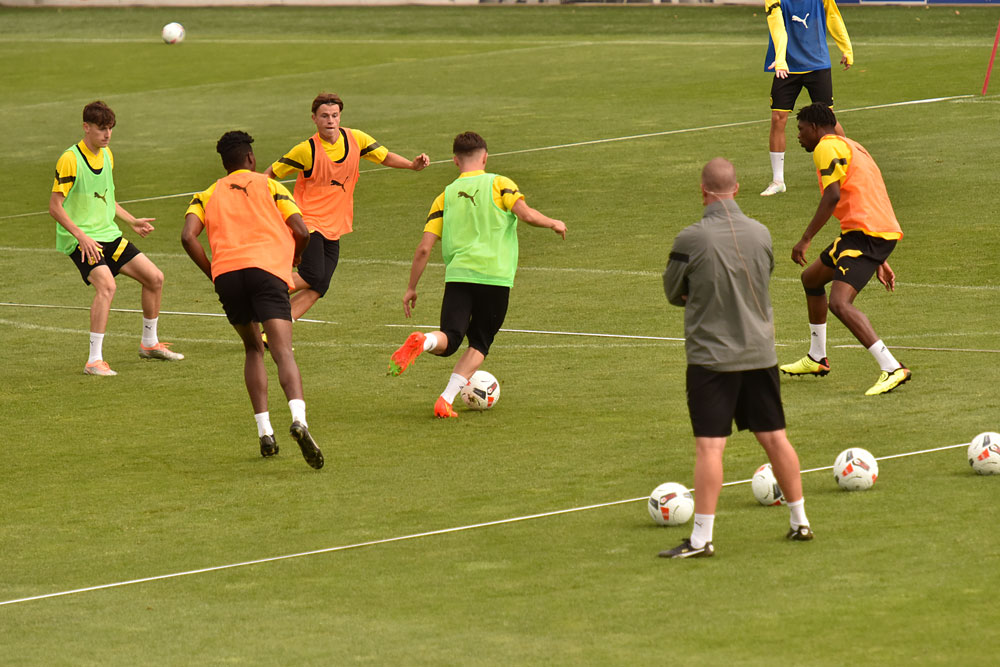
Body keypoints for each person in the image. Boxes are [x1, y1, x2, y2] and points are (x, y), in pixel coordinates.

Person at [660, 158, 812, 559]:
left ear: (703, 191)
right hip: (760, 353)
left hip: (712, 359)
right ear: (737, 188)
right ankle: (800, 522)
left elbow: (673, 290)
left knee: (711, 448)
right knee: (775, 438)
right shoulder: (761, 233)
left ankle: (700, 539)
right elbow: (763, 276)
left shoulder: (690, 238)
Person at [387, 131, 566, 418]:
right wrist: (553, 223)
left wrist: (411, 288)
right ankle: (444, 399)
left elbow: (424, 248)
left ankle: (425, 341)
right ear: (485, 157)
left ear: (455, 161)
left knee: (450, 337)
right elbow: (526, 214)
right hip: (495, 278)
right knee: (480, 342)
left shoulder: (444, 196)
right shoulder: (499, 183)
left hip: (459, 276)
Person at [181, 131, 324, 469]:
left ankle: (265, 433)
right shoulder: (269, 185)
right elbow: (301, 231)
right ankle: (299, 421)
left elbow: (188, 237)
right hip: (267, 272)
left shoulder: (206, 194)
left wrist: (214, 272)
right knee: (282, 350)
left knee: (252, 349)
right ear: (250, 159)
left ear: (225, 163)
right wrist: (295, 258)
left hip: (228, 275)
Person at [263, 92, 431, 324]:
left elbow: (384, 157)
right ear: (314, 119)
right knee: (312, 274)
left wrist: (412, 166)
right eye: (324, 116)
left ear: (340, 117)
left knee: (320, 285)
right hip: (308, 221)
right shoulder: (306, 150)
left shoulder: (356, 139)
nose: (330, 120)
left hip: (336, 225)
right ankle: (264, 289)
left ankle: (271, 332)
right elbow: (269, 174)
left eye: (334, 115)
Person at [779, 103, 909, 396]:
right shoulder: (851, 145)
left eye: (800, 130)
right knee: (811, 279)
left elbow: (833, 196)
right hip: (864, 233)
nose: (799, 136)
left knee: (840, 303)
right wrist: (878, 258)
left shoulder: (826, 147)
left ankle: (892, 367)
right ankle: (817, 357)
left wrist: (805, 238)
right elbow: (868, 192)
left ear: (814, 128)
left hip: (866, 234)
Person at [49, 100, 184, 376]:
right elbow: (55, 207)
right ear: (86, 127)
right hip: (81, 239)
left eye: (110, 129)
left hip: (109, 234)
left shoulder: (107, 155)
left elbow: (106, 199)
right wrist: (81, 237)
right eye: (101, 129)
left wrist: (131, 220)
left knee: (154, 278)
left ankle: (149, 344)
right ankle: (94, 360)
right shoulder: (70, 159)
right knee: (107, 286)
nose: (107, 134)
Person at [761, 0, 853, 196]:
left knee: (828, 118)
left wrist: (846, 48)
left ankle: (851, 167)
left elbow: (833, 16)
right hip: (786, 66)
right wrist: (780, 58)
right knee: (778, 118)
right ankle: (778, 181)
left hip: (817, 63)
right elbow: (778, 27)